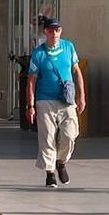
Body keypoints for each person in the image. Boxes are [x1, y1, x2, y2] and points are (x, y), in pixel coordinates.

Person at [25, 17, 85, 189]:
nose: (54, 33)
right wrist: (30, 106)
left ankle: (61, 161)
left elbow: (77, 72)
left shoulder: (68, 47)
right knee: (48, 137)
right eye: (51, 30)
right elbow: (31, 81)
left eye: (57, 30)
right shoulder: (39, 53)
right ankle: (50, 173)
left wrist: (82, 96)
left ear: (61, 32)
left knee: (70, 134)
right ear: (45, 32)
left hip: (67, 99)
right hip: (45, 99)